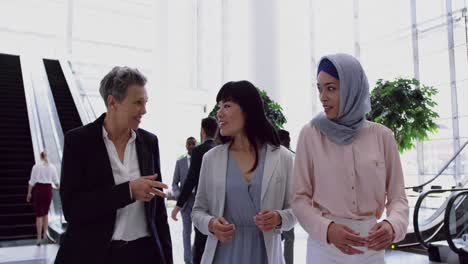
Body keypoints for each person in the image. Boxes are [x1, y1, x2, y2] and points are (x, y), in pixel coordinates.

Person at [291, 54, 409, 264]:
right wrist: (327, 229)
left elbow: (398, 198)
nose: (322, 97)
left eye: (331, 88)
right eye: (319, 88)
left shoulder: (382, 136)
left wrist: (393, 225)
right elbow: (299, 199)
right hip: (324, 248)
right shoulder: (310, 134)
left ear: (353, 89)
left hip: (371, 248)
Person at [54, 66, 173, 264]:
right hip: (96, 254)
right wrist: (128, 191)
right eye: (137, 103)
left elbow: (159, 215)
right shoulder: (79, 141)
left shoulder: (149, 142)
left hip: (144, 254)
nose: (144, 110)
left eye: (145, 102)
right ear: (112, 102)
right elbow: (72, 208)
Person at [192, 81, 296, 264]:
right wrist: (211, 224)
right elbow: (198, 210)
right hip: (222, 254)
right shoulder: (211, 159)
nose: (219, 113)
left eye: (227, 106)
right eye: (219, 107)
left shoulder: (283, 158)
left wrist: (279, 218)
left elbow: (297, 209)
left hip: (265, 254)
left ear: (248, 110)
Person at [171, 117, 218, 264]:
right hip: (218, 204)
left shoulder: (199, 151)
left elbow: (191, 180)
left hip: (201, 204)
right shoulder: (222, 149)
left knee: (199, 243)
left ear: (202, 131)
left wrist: (177, 206)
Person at [171, 136, 197, 264]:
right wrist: (178, 196)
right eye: (189, 144)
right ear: (186, 146)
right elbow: (174, 183)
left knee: (200, 233)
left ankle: (196, 258)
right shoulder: (180, 162)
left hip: (199, 202)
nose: (191, 146)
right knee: (186, 233)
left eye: (193, 143)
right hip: (185, 203)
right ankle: (188, 261)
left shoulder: (201, 161)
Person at [27, 151, 59, 246]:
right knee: (45, 213)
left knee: (39, 215)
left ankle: (39, 238)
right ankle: (45, 235)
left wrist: (29, 193)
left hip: (39, 190)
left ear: (40, 157)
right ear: (47, 156)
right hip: (48, 190)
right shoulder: (52, 167)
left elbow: (31, 182)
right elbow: (56, 182)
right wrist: (59, 188)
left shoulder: (36, 166)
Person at [278, 129, 294, 264]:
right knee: (288, 237)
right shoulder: (289, 156)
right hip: (286, 201)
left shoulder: (284, 156)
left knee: (285, 237)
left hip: (285, 202)